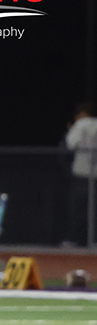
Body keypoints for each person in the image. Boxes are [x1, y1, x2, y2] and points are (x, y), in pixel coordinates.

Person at [64, 102, 97, 247]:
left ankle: (75, 241)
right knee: (93, 210)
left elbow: (70, 144)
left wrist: (71, 130)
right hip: (95, 174)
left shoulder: (80, 124)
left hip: (81, 174)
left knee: (78, 209)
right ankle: (93, 241)